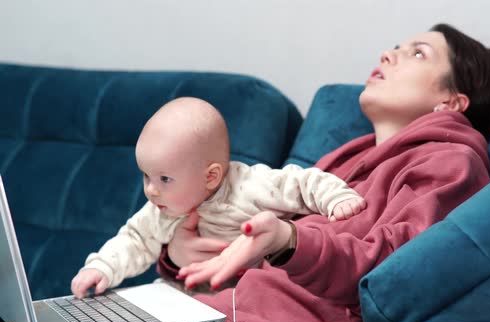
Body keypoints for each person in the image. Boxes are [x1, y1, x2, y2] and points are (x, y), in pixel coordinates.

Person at [156, 23, 490, 322]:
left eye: (418, 53)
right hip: (208, 313)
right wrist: (183, 257)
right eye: (397, 47)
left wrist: (288, 241)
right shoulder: (347, 157)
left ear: (451, 102)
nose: (388, 54)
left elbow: (398, 272)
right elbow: (261, 247)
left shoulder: (451, 161)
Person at [70, 97, 367, 299]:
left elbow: (304, 182)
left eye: (164, 179)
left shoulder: (253, 186)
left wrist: (336, 198)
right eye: (146, 176)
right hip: (180, 298)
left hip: (242, 301)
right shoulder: (164, 208)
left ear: (211, 176)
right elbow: (134, 239)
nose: (150, 190)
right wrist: (101, 268)